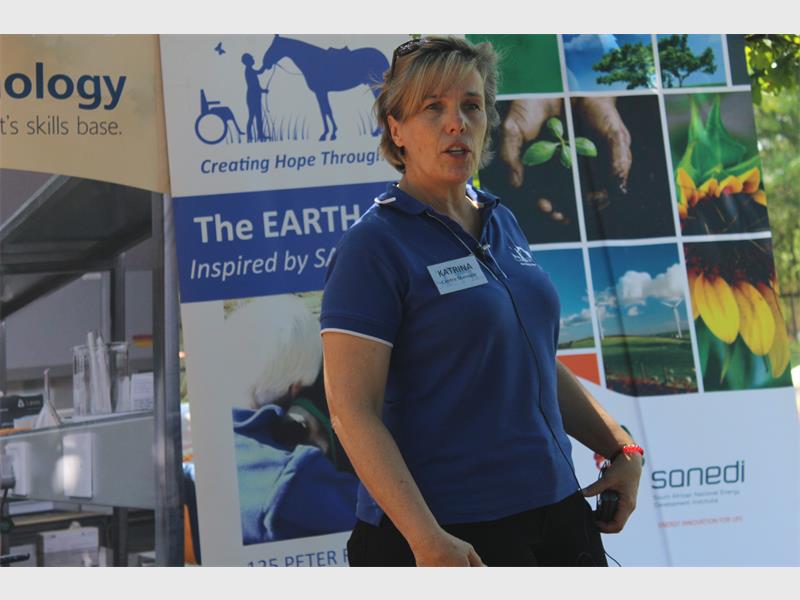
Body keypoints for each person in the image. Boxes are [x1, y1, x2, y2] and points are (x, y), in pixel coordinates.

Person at [320, 36, 642, 567]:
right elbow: (351, 412)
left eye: (471, 106)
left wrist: (620, 448)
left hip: (557, 512)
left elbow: (532, 359)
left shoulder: (501, 218)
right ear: (395, 129)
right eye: (433, 108)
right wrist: (426, 539)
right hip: (449, 533)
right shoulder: (373, 246)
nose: (457, 123)